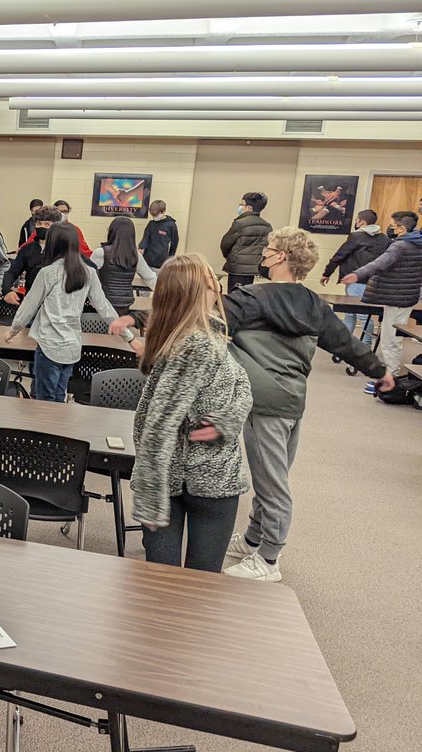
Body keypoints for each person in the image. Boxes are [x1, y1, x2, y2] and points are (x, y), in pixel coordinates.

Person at [215, 228, 392, 582]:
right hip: (293, 402)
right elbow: (345, 343)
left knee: (271, 483)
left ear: (280, 256)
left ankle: (268, 561)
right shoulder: (314, 303)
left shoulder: (249, 298)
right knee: (272, 475)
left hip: (263, 401)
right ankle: (253, 539)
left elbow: (202, 323)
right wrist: (380, 370)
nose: (263, 255)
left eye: (267, 250)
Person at [121, 254, 253, 573]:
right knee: (184, 588)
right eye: (212, 281)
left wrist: (228, 418)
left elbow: (242, 385)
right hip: (193, 480)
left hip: (204, 478)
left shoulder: (206, 335)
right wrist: (151, 495)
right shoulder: (197, 344)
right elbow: (158, 422)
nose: (218, 287)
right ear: (196, 290)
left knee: (171, 587)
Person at [6, 222, 130, 402]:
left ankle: (44, 429)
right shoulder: (88, 272)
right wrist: (127, 334)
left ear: (52, 244)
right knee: (59, 396)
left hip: (49, 346)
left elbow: (28, 306)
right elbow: (103, 306)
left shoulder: (48, 273)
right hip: (71, 347)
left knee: (45, 400)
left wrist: (13, 330)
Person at [341, 210, 422, 374]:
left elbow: (379, 263)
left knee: (389, 338)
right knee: (395, 336)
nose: (389, 229)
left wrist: (357, 274)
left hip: (395, 297)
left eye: (392, 226)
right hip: (408, 296)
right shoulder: (418, 244)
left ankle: (389, 376)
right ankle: (391, 372)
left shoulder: (399, 246)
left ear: (401, 229)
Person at [320, 209, 389, 346]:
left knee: (360, 315)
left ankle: (365, 345)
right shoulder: (385, 238)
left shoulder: (356, 236)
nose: (356, 222)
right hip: (374, 281)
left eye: (357, 219)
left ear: (362, 222)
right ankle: (344, 345)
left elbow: (340, 255)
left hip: (355, 280)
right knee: (353, 313)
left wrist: (327, 273)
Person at [0, 205, 62, 305]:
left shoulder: (63, 248)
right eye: (39, 223)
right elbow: (12, 272)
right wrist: (7, 291)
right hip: (32, 303)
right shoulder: (28, 249)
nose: (42, 227)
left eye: (47, 224)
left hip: (56, 304)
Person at [90, 216, 158, 314]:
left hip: (103, 303)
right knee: (119, 328)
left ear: (111, 232)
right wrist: (168, 294)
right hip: (124, 304)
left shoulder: (101, 253)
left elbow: (87, 278)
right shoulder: (135, 255)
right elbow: (150, 278)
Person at [220, 191, 272, 292]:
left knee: (233, 297)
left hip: (237, 269)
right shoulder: (267, 226)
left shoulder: (240, 223)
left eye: (242, 204)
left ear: (249, 208)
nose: (240, 206)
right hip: (253, 270)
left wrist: (231, 257)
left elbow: (225, 244)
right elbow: (266, 248)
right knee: (246, 296)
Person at [138, 200, 179, 271]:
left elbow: (175, 241)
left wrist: (171, 256)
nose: (154, 217)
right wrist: (141, 248)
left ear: (163, 211)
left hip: (161, 260)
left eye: (156, 215)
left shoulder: (171, 225)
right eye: (153, 215)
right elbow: (145, 238)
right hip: (148, 259)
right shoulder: (151, 224)